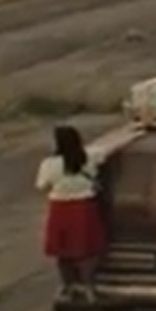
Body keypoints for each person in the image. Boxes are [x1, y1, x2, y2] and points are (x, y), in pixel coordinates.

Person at [36, 124, 107, 299]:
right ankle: (90, 287)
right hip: (84, 208)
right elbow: (105, 152)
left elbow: (41, 186)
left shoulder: (49, 164)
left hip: (60, 209)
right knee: (87, 251)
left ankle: (68, 286)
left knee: (62, 251)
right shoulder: (90, 158)